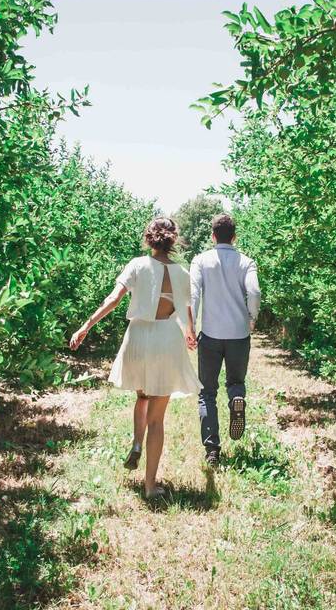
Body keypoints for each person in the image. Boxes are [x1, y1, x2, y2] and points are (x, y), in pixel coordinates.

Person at [69, 217, 200, 498]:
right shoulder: (182, 273)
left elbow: (114, 299)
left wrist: (86, 326)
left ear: (149, 238)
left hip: (139, 337)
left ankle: (136, 443)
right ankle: (150, 486)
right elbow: (186, 308)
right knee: (158, 418)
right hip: (166, 338)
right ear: (173, 240)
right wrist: (191, 333)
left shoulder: (137, 265)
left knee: (142, 395)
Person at [189, 213, 261, 468]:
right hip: (238, 336)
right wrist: (251, 318)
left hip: (210, 336)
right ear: (234, 237)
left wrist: (189, 326)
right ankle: (236, 400)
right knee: (236, 382)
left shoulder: (200, 261)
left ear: (212, 236)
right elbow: (254, 292)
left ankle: (212, 450)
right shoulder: (246, 262)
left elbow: (193, 294)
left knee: (207, 392)